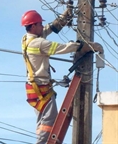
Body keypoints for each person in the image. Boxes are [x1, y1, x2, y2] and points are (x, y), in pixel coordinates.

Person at [21, 10, 104, 144]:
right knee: (49, 120)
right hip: (41, 88)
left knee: (42, 120)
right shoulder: (39, 44)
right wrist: (85, 46)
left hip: (33, 87)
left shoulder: (26, 39)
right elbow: (63, 48)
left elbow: (47, 30)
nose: (42, 26)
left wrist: (63, 19)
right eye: (40, 24)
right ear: (33, 26)